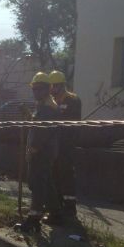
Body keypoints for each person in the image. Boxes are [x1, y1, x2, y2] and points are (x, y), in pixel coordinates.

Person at [15, 72, 62, 233]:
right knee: (46, 182)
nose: (36, 92)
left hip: (42, 152)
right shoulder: (44, 105)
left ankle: (34, 218)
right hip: (45, 151)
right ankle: (56, 213)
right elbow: (37, 124)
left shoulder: (48, 108)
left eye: (39, 89)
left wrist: (33, 148)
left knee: (37, 183)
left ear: (48, 89)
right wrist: (28, 115)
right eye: (34, 89)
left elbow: (43, 131)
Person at [49, 70, 82, 217]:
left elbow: (67, 120)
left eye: (55, 86)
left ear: (62, 85)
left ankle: (70, 206)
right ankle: (57, 203)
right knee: (54, 173)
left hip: (66, 143)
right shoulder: (53, 101)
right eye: (51, 86)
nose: (53, 89)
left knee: (66, 173)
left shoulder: (72, 100)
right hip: (55, 144)